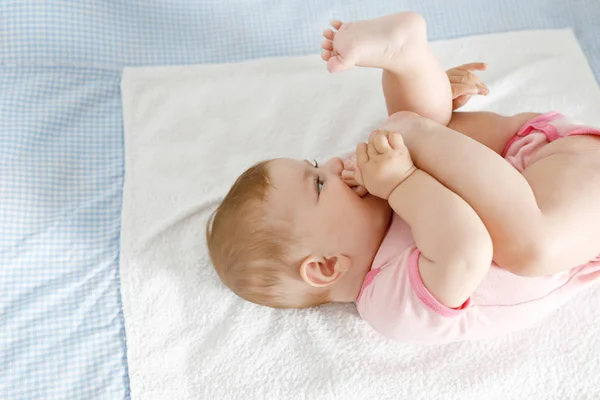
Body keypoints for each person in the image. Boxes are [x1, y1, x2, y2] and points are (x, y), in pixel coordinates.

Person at [206, 12, 600, 343]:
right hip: (563, 199)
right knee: (531, 248)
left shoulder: (363, 183)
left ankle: (407, 58)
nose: (329, 165)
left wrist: (426, 122)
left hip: (526, 153)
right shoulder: (387, 303)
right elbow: (466, 250)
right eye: (318, 183)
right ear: (326, 266)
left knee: (410, 130)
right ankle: (416, 104)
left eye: (313, 163)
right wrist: (403, 181)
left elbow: (416, 134)